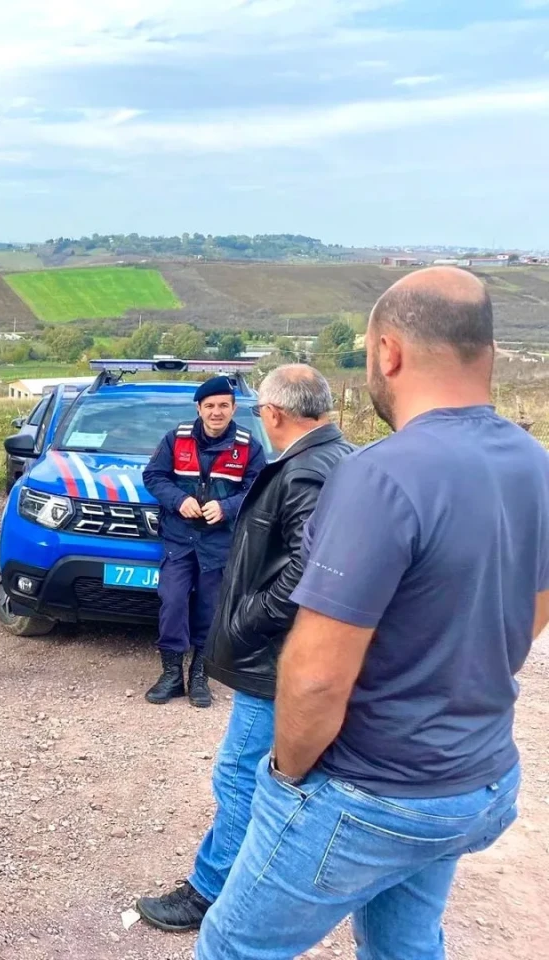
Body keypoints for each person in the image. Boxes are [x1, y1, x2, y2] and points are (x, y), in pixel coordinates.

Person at [196, 267, 549, 960]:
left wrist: (286, 779)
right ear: (488, 350)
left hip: (373, 791)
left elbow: (317, 677)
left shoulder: (379, 474)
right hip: (476, 780)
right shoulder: (534, 463)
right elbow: (530, 607)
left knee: (231, 948)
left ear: (388, 352)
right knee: (403, 946)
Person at [136, 365, 352, 932]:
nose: (229, 414)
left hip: (279, 657)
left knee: (238, 774)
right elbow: (154, 477)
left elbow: (309, 567)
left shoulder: (303, 469)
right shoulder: (341, 456)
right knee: (277, 774)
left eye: (248, 409)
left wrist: (250, 620)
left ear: (273, 414)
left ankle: (212, 894)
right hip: (197, 555)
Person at [142, 376, 266, 707]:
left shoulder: (248, 446)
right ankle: (171, 675)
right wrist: (178, 500)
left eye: (223, 405)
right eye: (209, 406)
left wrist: (226, 507)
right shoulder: (176, 439)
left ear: (233, 408)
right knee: (173, 602)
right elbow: (153, 476)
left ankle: (199, 676)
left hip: (219, 543)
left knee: (210, 611)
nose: (216, 412)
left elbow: (258, 490)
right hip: (180, 539)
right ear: (199, 408)